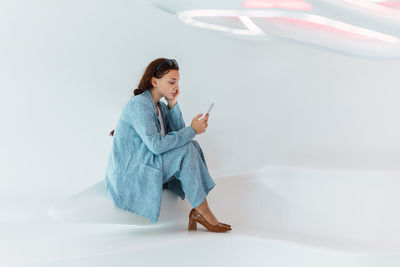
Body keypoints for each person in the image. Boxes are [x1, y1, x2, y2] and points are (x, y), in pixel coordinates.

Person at [105, 58, 232, 232]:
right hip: (134, 172)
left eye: (177, 82)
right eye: (171, 82)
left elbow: (182, 137)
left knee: (191, 146)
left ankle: (200, 209)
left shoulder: (161, 107)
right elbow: (157, 146)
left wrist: (173, 105)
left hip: (150, 163)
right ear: (154, 81)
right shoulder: (139, 104)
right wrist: (192, 130)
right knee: (187, 149)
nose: (176, 86)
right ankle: (202, 212)